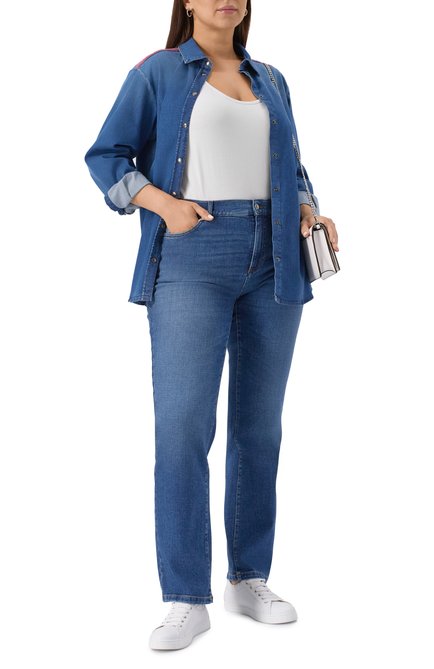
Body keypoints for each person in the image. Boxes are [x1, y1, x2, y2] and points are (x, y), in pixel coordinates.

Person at [84, 0, 339, 652]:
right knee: (183, 428)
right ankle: (185, 596)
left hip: (276, 256)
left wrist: (309, 209)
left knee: (259, 428)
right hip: (192, 253)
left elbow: (292, 166)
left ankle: (248, 578)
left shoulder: (271, 78)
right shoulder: (158, 72)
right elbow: (106, 155)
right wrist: (162, 203)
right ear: (189, 3)